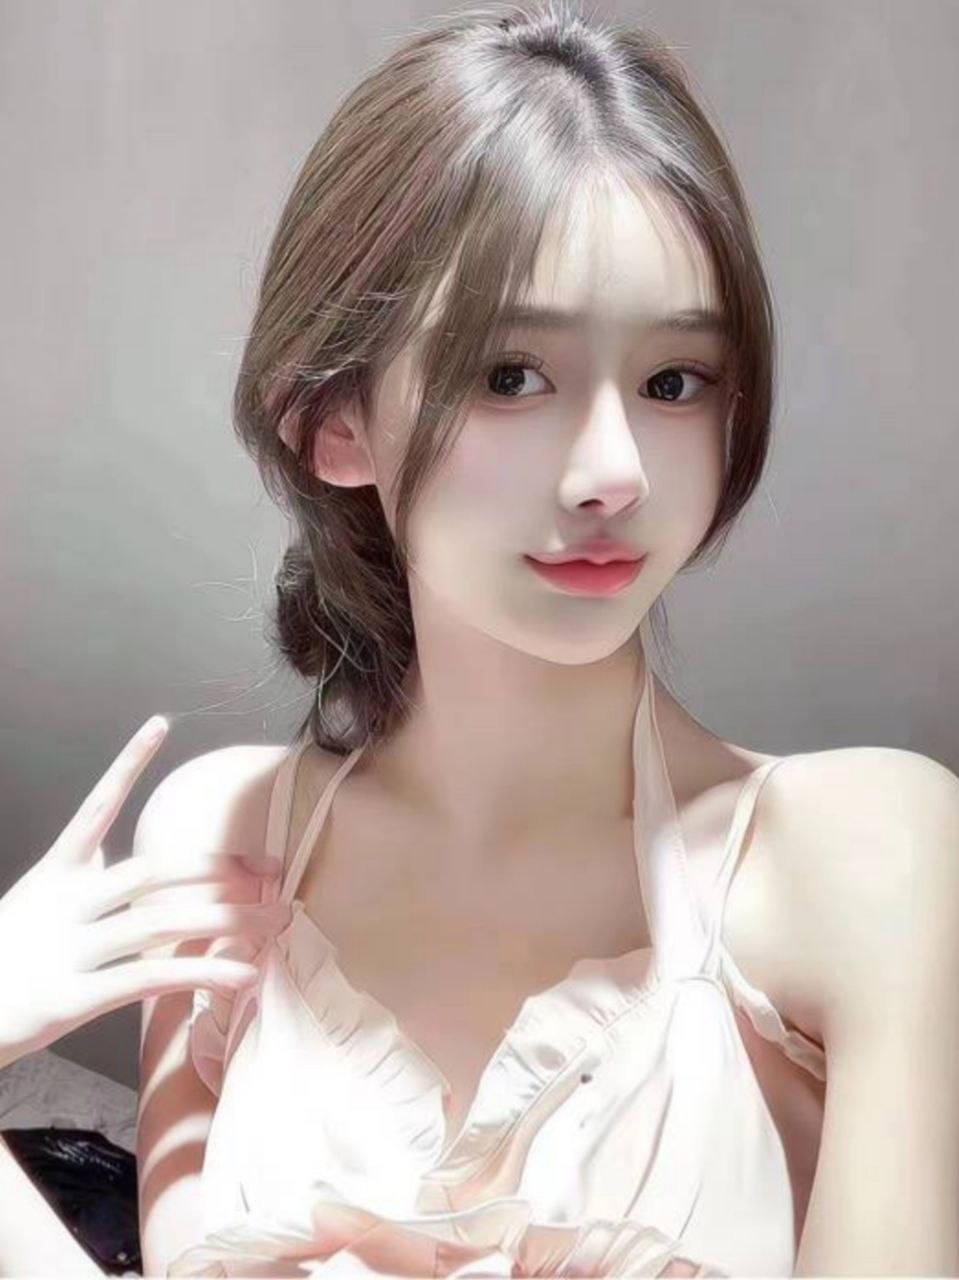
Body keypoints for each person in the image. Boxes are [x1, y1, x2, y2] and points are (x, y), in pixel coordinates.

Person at [3, 1, 958, 1275]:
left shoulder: (859, 853)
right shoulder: (225, 837)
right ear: (333, 421)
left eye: (673, 380)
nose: (612, 471)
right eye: (512, 375)